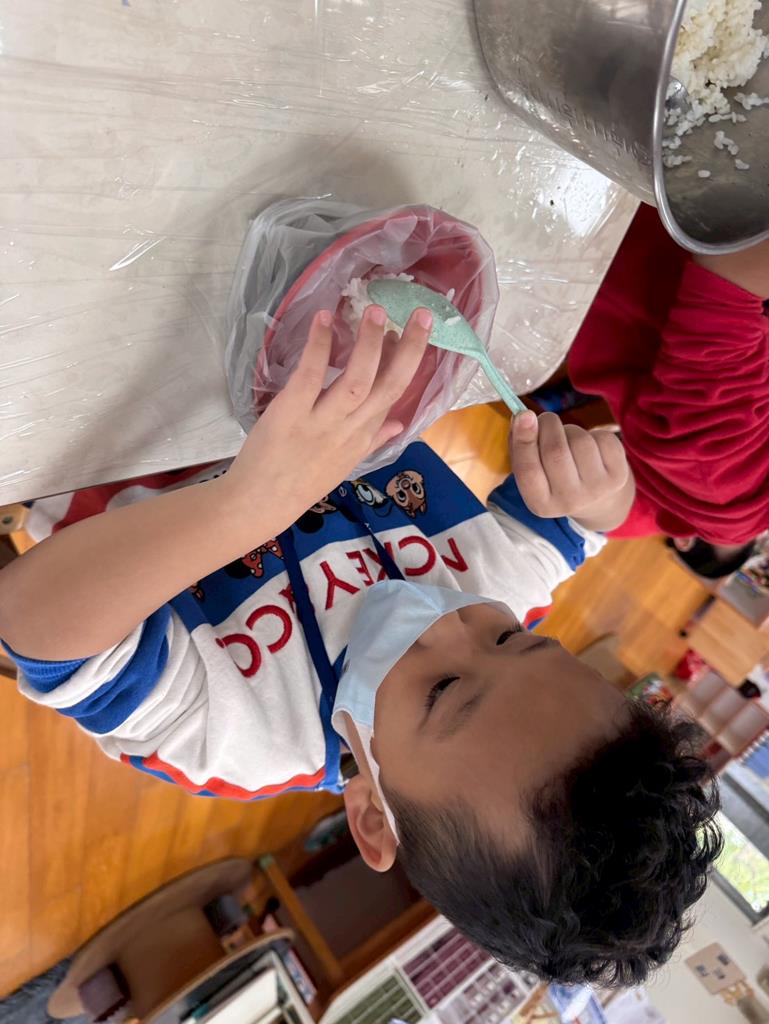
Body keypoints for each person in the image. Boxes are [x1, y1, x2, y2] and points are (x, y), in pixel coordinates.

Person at [0, 306, 721, 987]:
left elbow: (34, 623)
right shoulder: (502, 582)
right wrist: (598, 493)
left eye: (442, 690)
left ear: (375, 811)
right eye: (513, 638)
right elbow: (582, 526)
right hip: (268, 330)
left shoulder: (241, 736)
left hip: (80, 405)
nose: (451, 623)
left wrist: (245, 506)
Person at [567, 203, 769, 578]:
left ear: (685, 541)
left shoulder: (722, 488)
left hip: (642, 222)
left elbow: (724, 298)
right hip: (621, 245)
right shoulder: (714, 494)